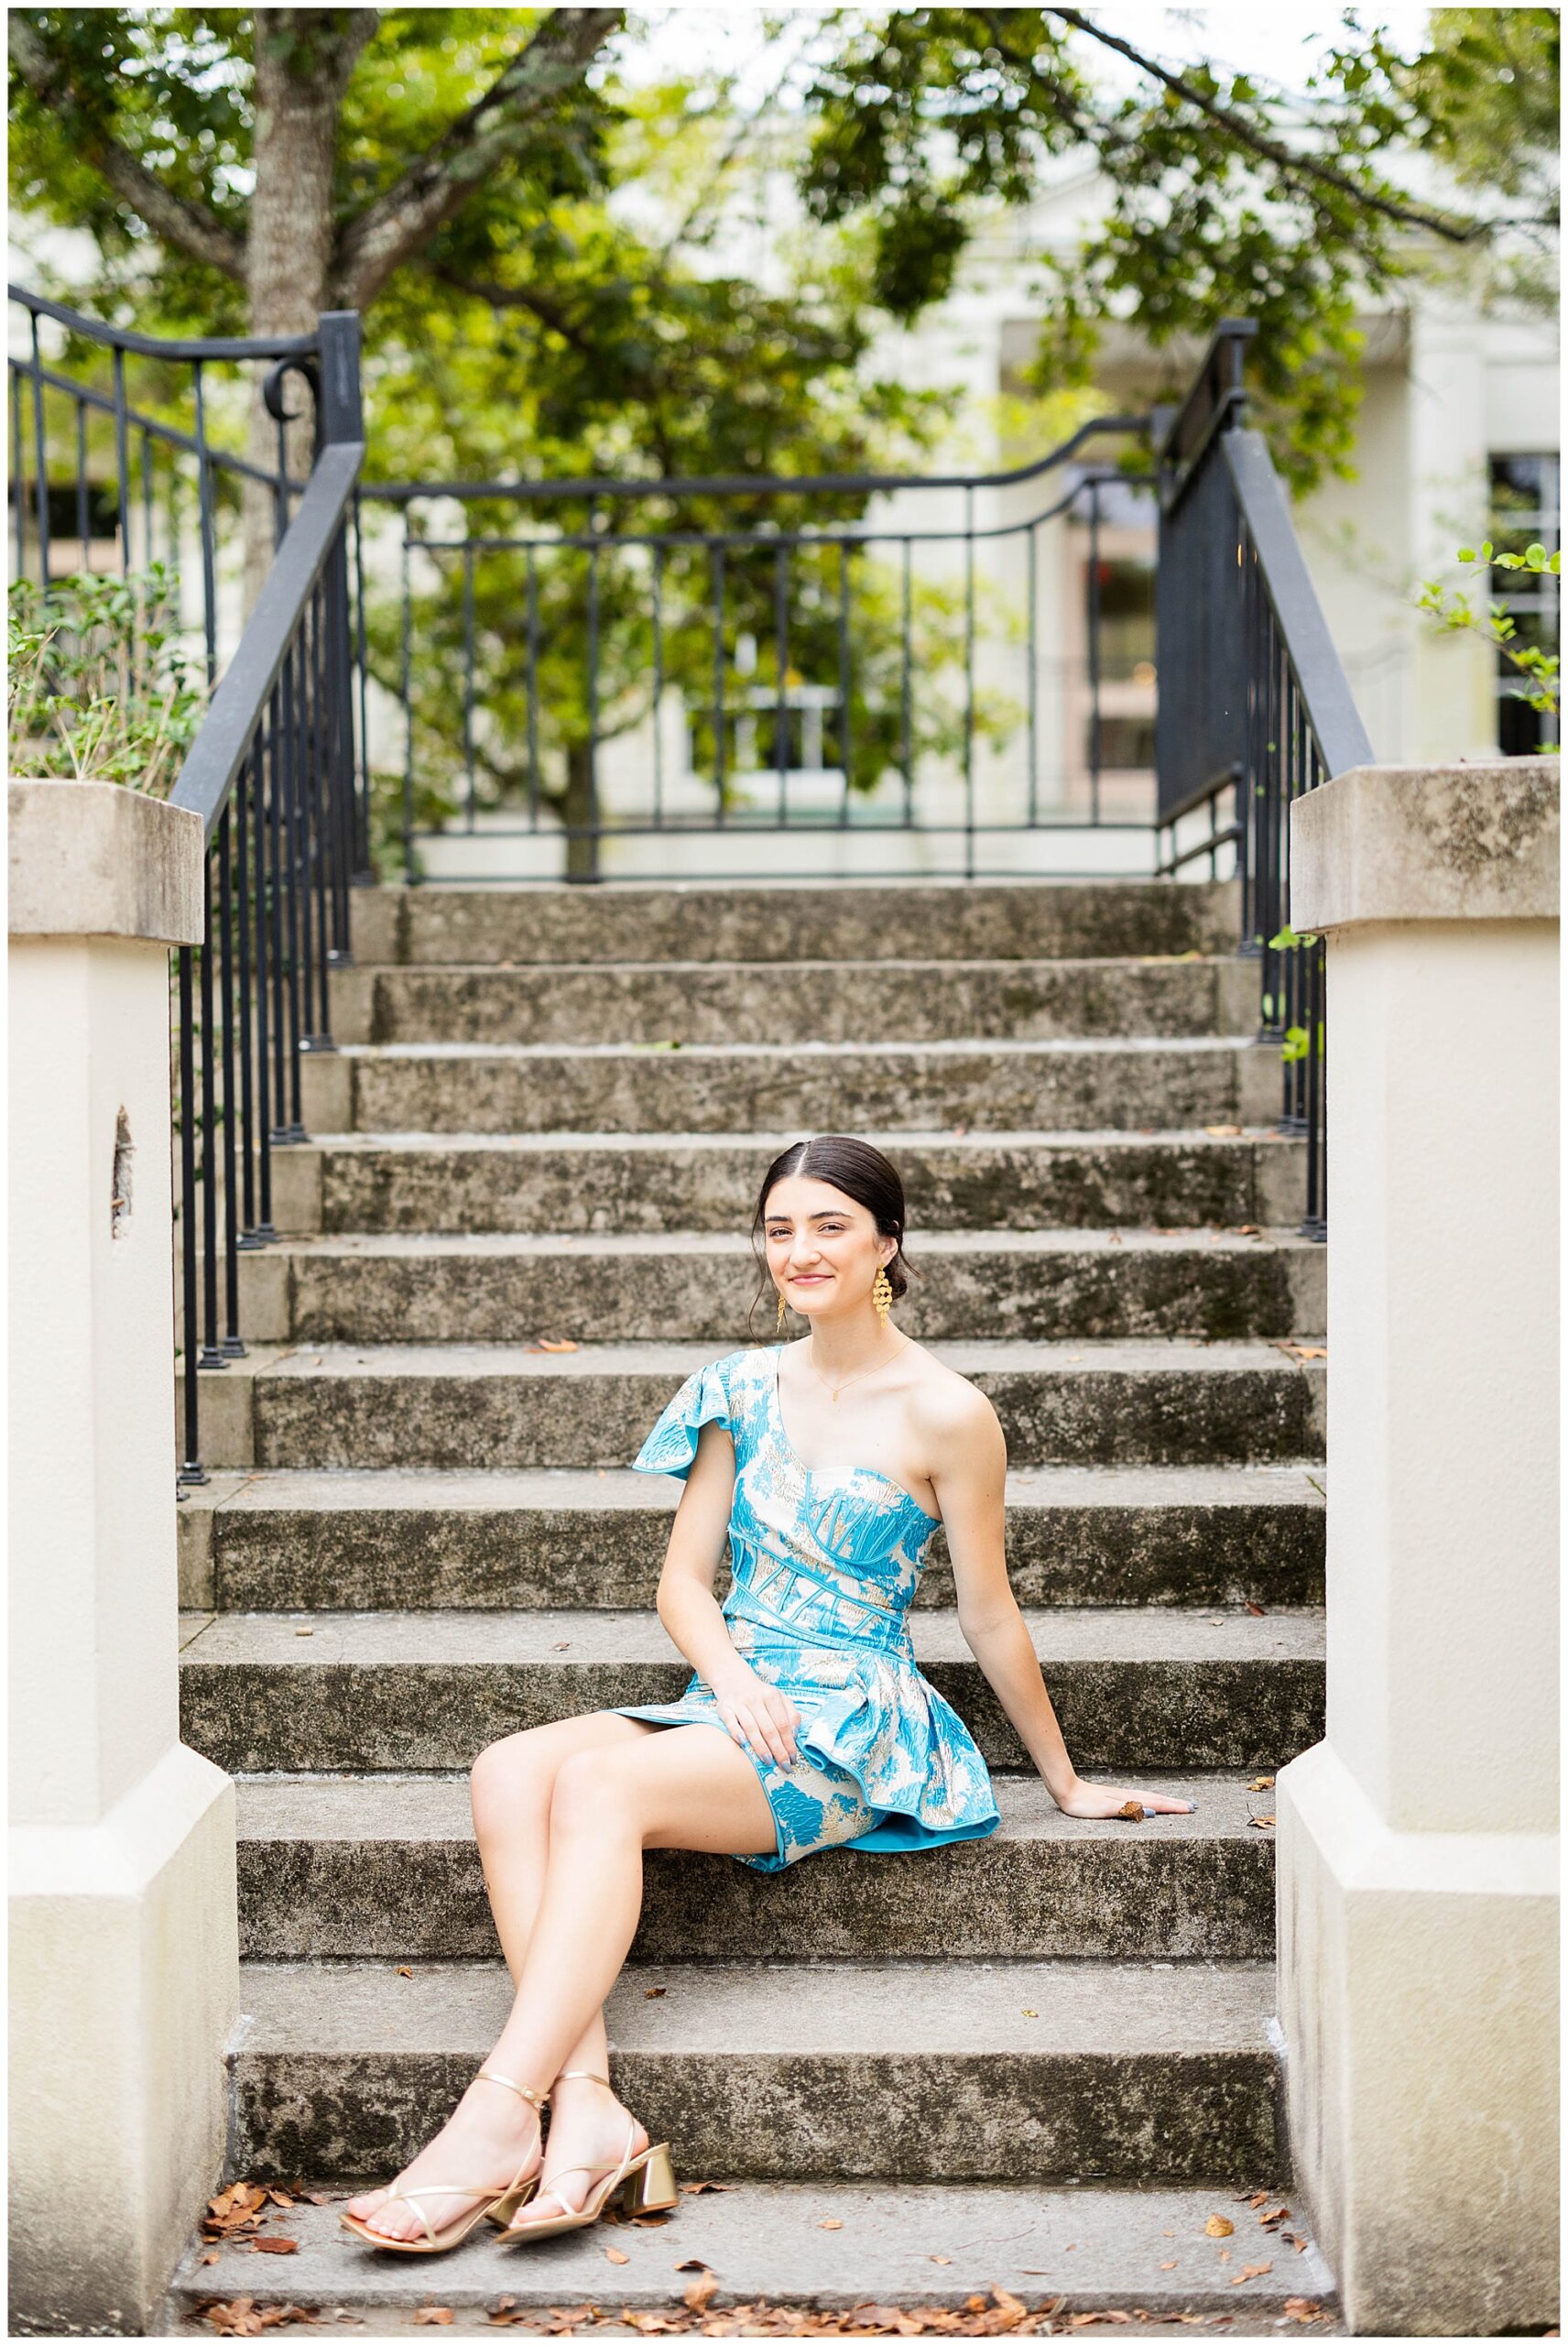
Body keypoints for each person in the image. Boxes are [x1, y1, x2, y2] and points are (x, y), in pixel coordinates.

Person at [341, 1133, 1196, 2255]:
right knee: (507, 1769)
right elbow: (681, 1582)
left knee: (597, 1787)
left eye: (829, 1226)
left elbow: (987, 1612)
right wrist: (733, 1676)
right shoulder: (736, 1387)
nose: (800, 1250)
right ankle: (587, 2106)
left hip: (852, 1717)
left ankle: (496, 2115)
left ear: (886, 1243)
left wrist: (1066, 1779)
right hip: (739, 1688)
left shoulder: (948, 1412)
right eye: (779, 1228)